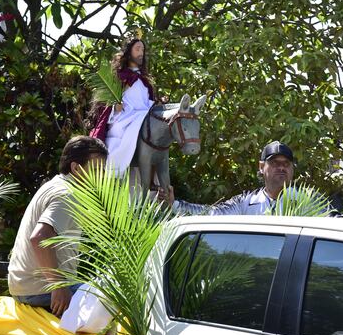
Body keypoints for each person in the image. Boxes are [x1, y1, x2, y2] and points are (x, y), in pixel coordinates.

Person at [7, 136, 108, 316]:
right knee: (110, 301)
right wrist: (59, 286)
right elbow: (39, 237)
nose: (102, 176)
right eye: (97, 169)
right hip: (39, 290)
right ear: (76, 168)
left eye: (103, 169)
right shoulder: (67, 194)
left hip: (27, 287)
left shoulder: (56, 185)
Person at [162, 141, 297, 215]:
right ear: (261, 167)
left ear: (292, 168)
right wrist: (174, 204)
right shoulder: (246, 202)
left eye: (286, 164)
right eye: (274, 163)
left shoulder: (310, 201)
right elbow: (211, 214)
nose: (281, 168)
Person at [90, 37, 156, 176]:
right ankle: (112, 172)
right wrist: (114, 108)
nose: (141, 53)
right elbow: (104, 105)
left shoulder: (145, 81)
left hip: (143, 117)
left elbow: (148, 102)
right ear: (129, 51)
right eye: (137, 49)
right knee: (117, 141)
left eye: (142, 50)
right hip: (123, 120)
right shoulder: (120, 77)